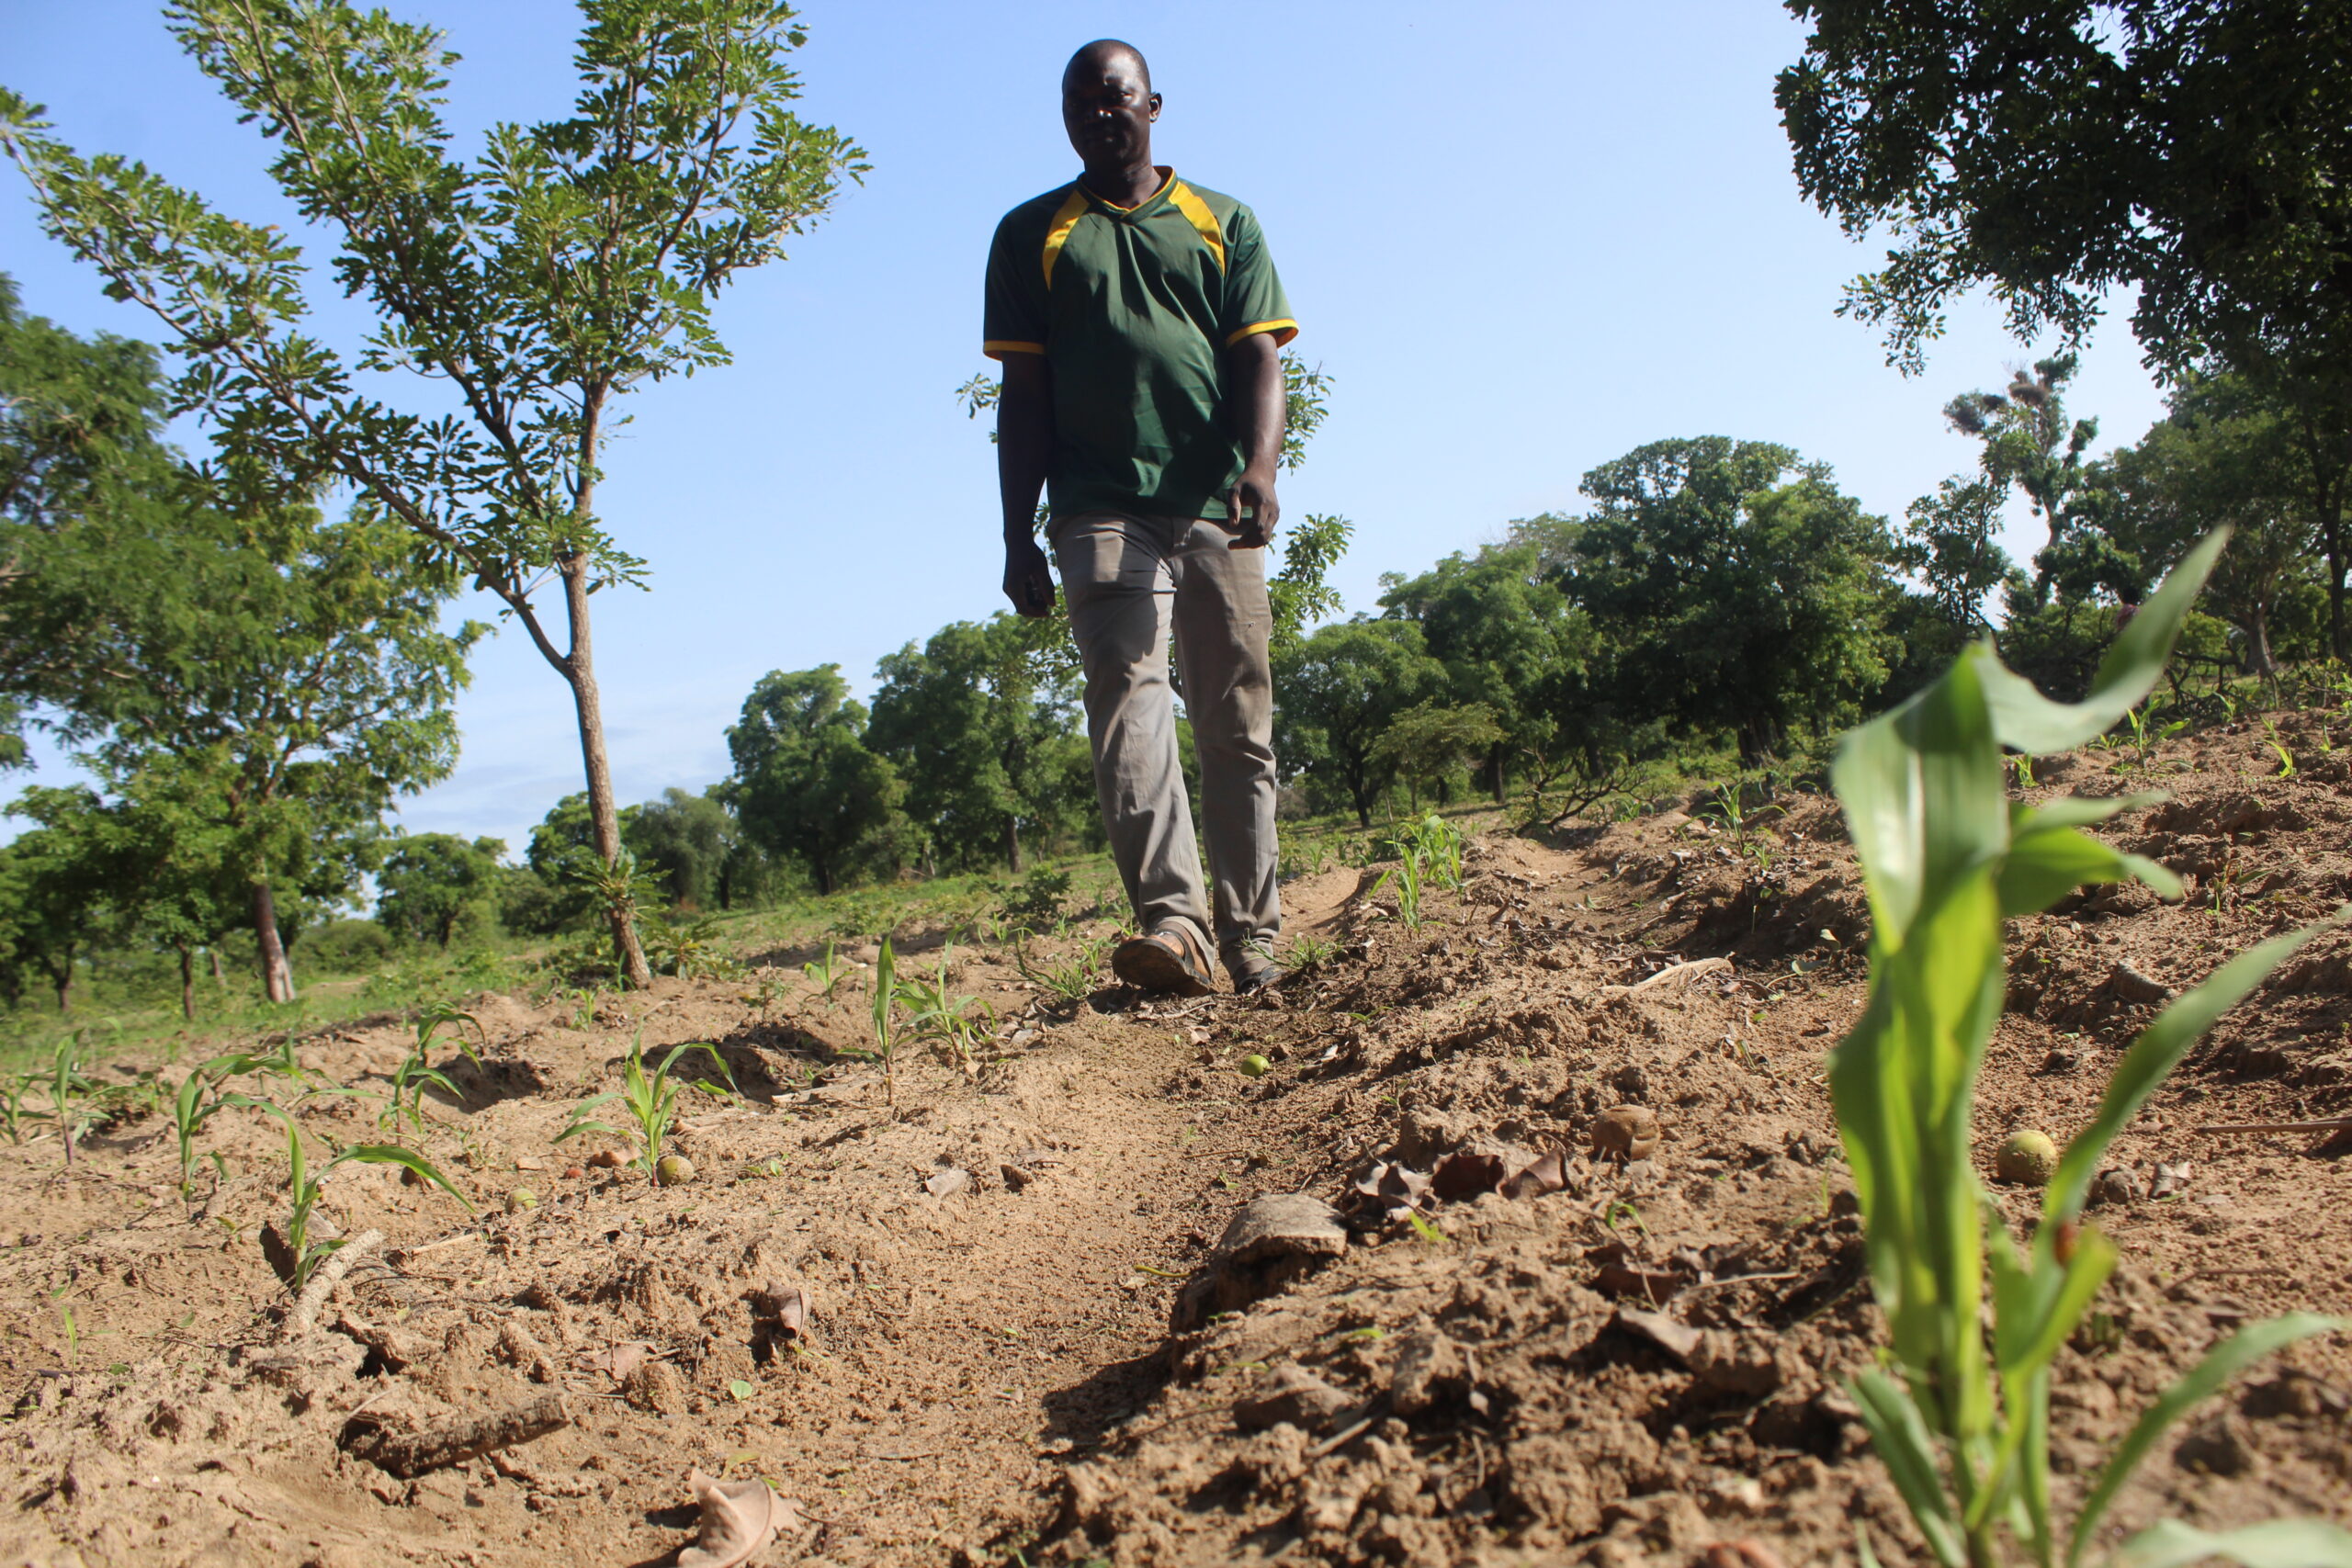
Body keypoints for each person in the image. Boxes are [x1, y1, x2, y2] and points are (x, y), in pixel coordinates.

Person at [982, 39, 1295, 997]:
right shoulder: (1031, 233)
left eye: (1114, 98)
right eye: (1079, 103)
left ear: (1152, 104)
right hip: (1097, 508)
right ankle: (1175, 925)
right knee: (1128, 694)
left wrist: (1259, 467)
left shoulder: (1220, 221)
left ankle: (1254, 939)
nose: (1097, 115)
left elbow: (1260, 362)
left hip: (1211, 504)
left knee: (1236, 721)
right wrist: (1013, 534)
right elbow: (1022, 397)